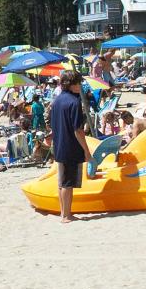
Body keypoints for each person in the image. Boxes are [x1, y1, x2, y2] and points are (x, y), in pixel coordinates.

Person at [49, 70, 90, 223]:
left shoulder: (57, 100)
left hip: (59, 145)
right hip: (70, 147)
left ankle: (64, 213)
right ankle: (66, 216)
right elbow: (78, 130)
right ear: (72, 84)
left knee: (62, 182)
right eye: (79, 82)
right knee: (67, 183)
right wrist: (87, 151)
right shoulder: (74, 101)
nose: (81, 85)